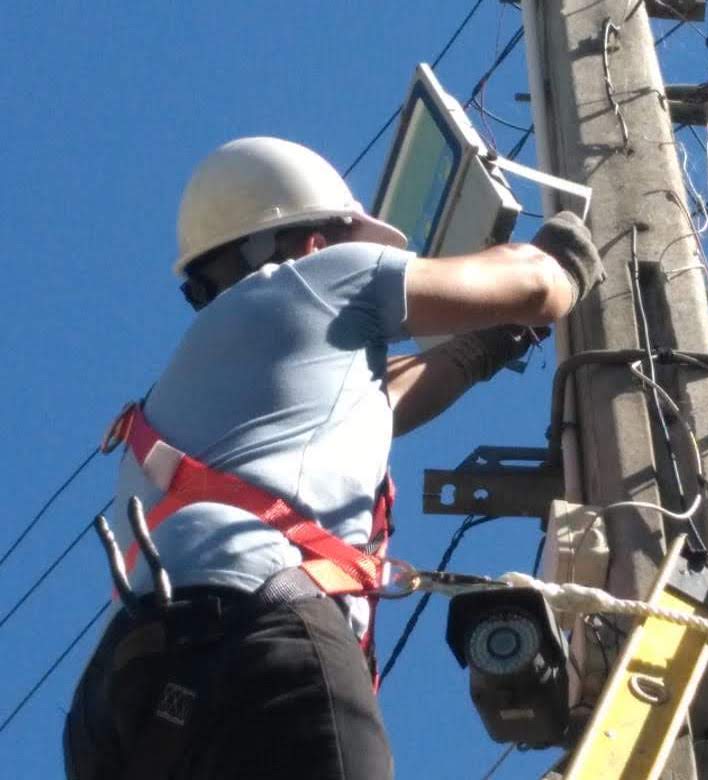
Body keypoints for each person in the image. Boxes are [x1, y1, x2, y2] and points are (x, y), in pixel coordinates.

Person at [62, 136, 604, 780]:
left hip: (119, 705)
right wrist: (568, 251)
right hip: (255, 638)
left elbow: (376, 401)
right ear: (316, 242)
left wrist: (480, 350)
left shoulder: (200, 389)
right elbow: (537, 282)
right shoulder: (322, 278)